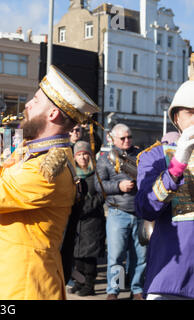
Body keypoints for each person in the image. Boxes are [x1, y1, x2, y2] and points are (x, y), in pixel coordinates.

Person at [0, 65, 100, 300]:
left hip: (25, 286)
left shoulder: (48, 170)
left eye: (36, 100)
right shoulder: (32, 151)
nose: (28, 104)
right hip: (7, 273)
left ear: (52, 114)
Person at [135, 80, 194, 300]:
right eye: (191, 112)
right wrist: (178, 163)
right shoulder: (155, 155)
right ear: (177, 117)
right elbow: (146, 208)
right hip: (171, 275)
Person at [95, 123, 146, 300]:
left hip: (139, 213)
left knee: (140, 256)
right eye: (123, 138)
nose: (127, 141)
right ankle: (113, 291)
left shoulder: (140, 155)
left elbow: (149, 178)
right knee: (116, 256)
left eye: (129, 137)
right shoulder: (104, 159)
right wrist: (119, 186)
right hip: (117, 212)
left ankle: (137, 289)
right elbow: (99, 185)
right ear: (113, 139)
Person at [69, 141, 105, 296]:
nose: (83, 157)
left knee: (89, 255)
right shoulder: (72, 174)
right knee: (76, 254)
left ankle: (89, 285)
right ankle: (80, 281)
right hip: (76, 220)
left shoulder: (96, 173)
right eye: (79, 154)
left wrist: (88, 206)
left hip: (92, 220)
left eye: (85, 154)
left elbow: (102, 194)